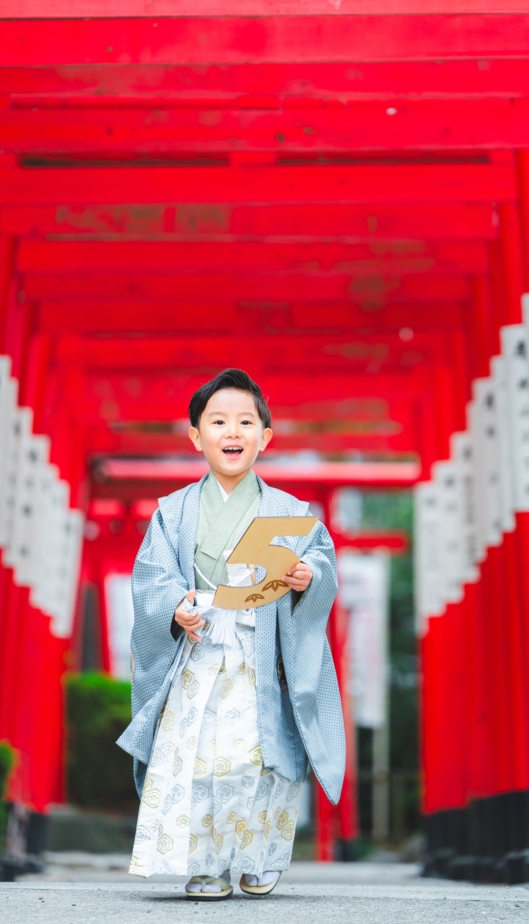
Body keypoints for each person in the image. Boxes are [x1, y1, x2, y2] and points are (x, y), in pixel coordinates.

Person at [117, 368, 345, 900]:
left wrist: (307, 577)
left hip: (261, 654)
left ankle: (258, 857)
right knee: (196, 758)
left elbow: (321, 565)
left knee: (256, 757)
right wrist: (176, 605)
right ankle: (206, 865)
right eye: (217, 421)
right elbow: (152, 576)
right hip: (198, 653)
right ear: (196, 435)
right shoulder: (172, 512)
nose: (232, 431)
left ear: (265, 437)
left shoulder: (290, 511)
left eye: (246, 421)